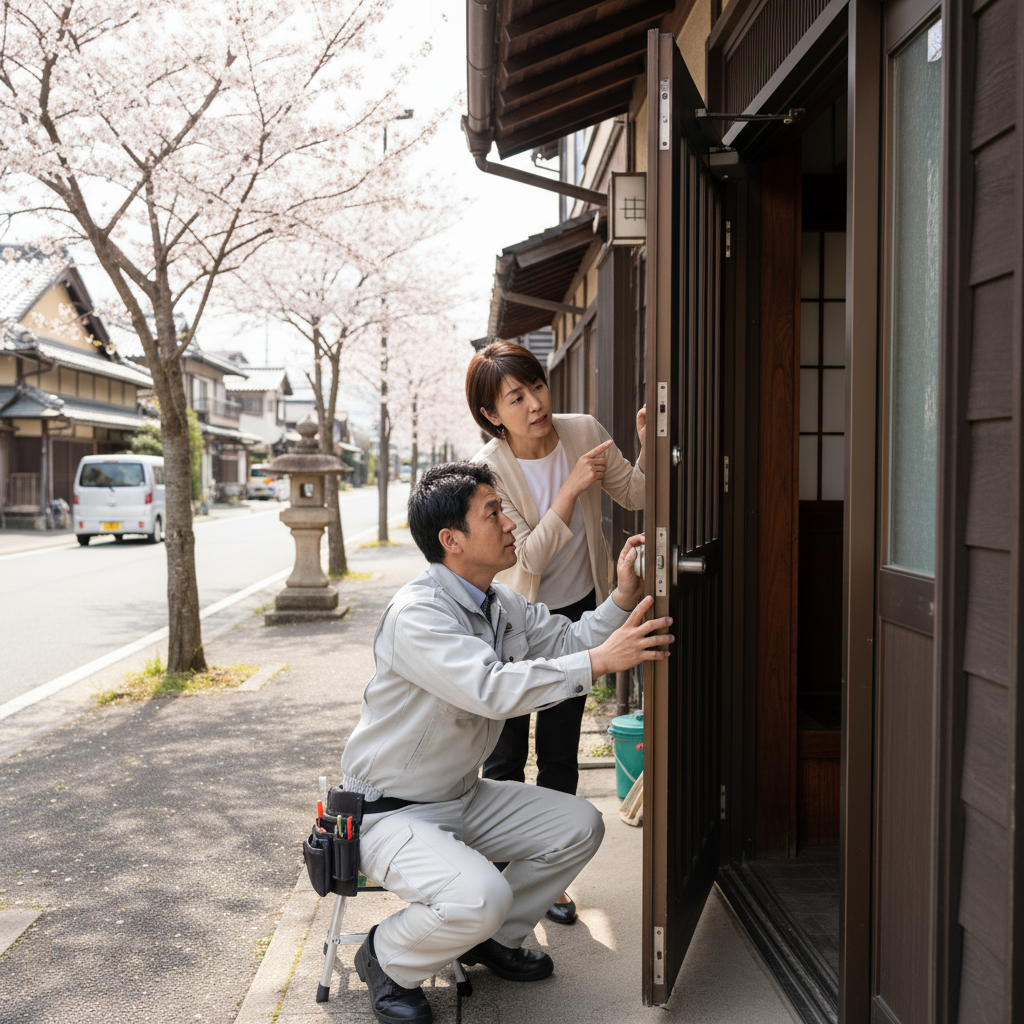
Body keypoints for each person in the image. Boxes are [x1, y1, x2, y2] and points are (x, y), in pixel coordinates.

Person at [341, 462, 672, 1024]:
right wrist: (597, 662)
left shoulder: (498, 601)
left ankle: (489, 940)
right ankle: (387, 957)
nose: (511, 522)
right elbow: (489, 689)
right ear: (452, 540)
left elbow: (566, 637)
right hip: (390, 813)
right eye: (493, 513)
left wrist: (619, 596)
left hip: (460, 796)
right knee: (480, 896)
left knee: (579, 825)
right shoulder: (419, 614)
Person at [466, 340, 645, 924]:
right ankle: (500, 883)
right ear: (493, 413)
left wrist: (650, 445)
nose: (535, 404)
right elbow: (529, 560)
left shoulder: (582, 429)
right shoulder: (489, 467)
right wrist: (570, 488)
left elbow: (640, 494)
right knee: (507, 753)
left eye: (537, 387)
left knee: (562, 754)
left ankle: (552, 880)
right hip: (517, 621)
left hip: (583, 612)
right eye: (516, 398)